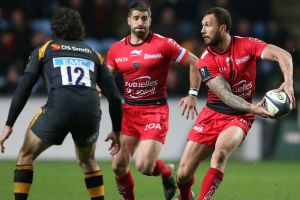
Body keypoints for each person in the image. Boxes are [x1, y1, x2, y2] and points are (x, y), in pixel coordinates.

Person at [0, 8, 122, 200]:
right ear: (80, 29)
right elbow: (115, 97)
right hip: (89, 113)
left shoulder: (46, 49)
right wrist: (116, 130)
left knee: (25, 156)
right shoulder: (93, 54)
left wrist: (9, 124)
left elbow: (24, 88)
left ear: (54, 29)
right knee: (88, 161)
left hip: (58, 110)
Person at [175, 7, 296, 200]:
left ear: (222, 28)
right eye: (202, 26)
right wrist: (254, 108)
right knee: (182, 174)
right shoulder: (205, 61)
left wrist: (288, 82)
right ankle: (184, 196)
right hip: (213, 113)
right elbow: (225, 95)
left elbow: (284, 55)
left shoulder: (247, 44)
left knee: (220, 153)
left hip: (239, 116)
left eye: (207, 25)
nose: (202, 30)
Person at [106, 2, 201, 200]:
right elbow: (108, 76)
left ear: (150, 20)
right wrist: (99, 87)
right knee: (118, 166)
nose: (140, 22)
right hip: (129, 113)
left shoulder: (164, 44)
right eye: (136, 18)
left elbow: (195, 62)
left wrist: (192, 93)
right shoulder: (116, 49)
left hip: (154, 112)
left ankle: (166, 173)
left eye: (144, 18)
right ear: (129, 21)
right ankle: (164, 175)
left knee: (143, 165)